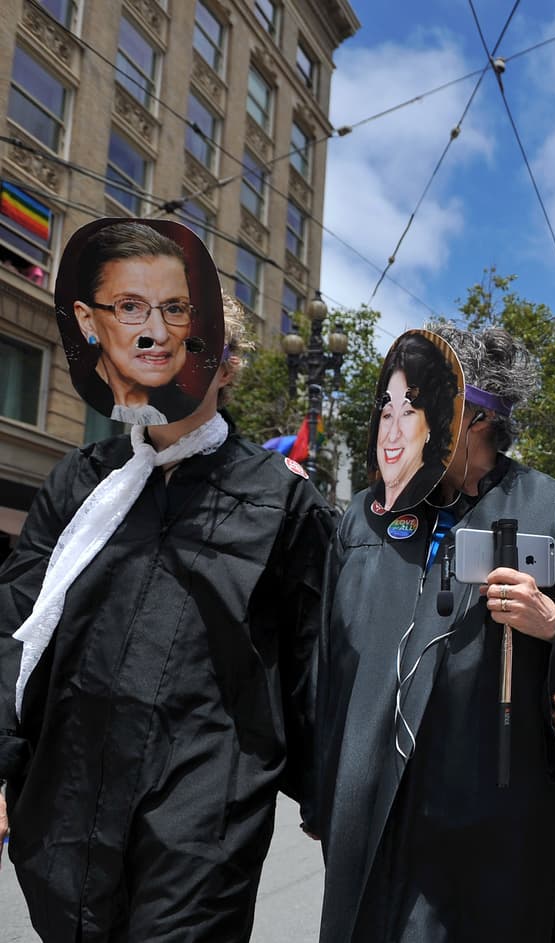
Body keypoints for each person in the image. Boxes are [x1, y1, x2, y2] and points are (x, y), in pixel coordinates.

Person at [0, 277, 334, 940]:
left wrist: (331, 800)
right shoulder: (80, 481)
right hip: (67, 804)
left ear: (226, 368)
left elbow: (314, 665)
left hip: (202, 818)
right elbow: (15, 621)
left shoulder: (283, 502)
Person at [316, 325, 555, 943]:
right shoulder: (366, 516)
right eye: (394, 406)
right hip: (373, 799)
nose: (398, 425)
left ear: (478, 417)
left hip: (491, 813)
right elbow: (327, 662)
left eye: (422, 404)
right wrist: (321, 789)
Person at [68, 221, 216, 426]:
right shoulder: (72, 397)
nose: (159, 334)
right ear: (87, 320)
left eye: (174, 309)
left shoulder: (198, 417)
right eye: (130, 307)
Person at [369, 331, 463, 512]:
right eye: (387, 415)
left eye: (408, 413)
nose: (393, 434)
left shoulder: (447, 505)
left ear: (431, 424)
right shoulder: (360, 509)